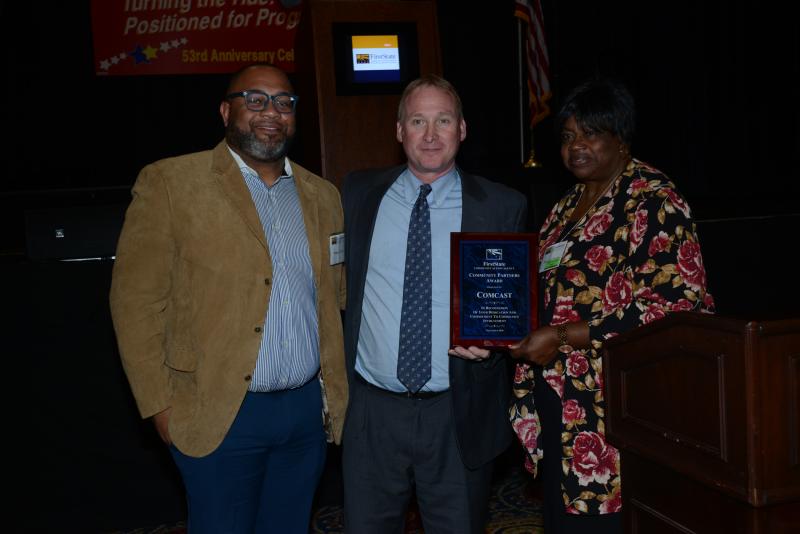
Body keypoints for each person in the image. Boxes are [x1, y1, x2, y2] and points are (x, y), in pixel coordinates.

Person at [109, 63, 348, 533]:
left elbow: (333, 299)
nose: (271, 112)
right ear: (225, 111)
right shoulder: (172, 183)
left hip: (305, 415)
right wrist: (161, 409)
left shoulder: (324, 196)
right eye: (255, 100)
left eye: (283, 102)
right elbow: (134, 304)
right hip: (218, 412)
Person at [508, 78, 714, 533]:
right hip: (558, 395)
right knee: (561, 517)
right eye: (567, 136)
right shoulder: (565, 206)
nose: (575, 146)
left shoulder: (654, 199)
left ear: (621, 139)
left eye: (590, 133)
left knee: (605, 522)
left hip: (614, 404)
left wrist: (562, 335)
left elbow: (675, 308)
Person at [340, 74, 527, 533]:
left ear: (461, 129)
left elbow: (512, 300)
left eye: (442, 120)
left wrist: (495, 342)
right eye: (417, 121)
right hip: (371, 412)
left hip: (457, 412)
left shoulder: (501, 206)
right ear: (399, 130)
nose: (430, 135)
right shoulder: (356, 195)